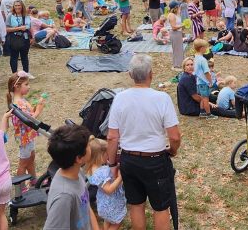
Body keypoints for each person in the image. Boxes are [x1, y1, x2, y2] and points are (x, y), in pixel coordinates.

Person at [106, 54, 181, 230]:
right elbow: (175, 136)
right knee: (161, 207)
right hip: (155, 160)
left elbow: (112, 137)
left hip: (129, 160)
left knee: (136, 204)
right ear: (151, 74)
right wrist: (173, 150)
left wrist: (112, 163)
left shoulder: (120, 98)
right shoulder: (162, 98)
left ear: (130, 75)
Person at [44, 124, 99, 230]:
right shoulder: (64, 196)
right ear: (78, 158)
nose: (90, 146)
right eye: (88, 145)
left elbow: (85, 204)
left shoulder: (77, 172)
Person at [8, 72, 45, 178]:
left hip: (28, 135)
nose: (29, 87)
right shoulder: (18, 103)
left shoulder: (21, 100)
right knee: (23, 163)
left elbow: (28, 114)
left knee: (31, 157)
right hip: (24, 137)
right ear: (17, 86)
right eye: (26, 84)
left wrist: (35, 106)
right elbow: (28, 120)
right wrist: (38, 110)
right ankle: (20, 187)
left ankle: (34, 180)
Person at [86, 138, 127, 230]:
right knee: (117, 222)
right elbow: (109, 190)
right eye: (107, 154)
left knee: (107, 220)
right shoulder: (103, 171)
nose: (108, 156)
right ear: (100, 155)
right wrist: (120, 177)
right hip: (112, 203)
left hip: (102, 202)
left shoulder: (91, 169)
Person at [191, 45, 217, 120]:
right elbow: (206, 72)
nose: (206, 49)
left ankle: (202, 112)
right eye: (205, 47)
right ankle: (208, 114)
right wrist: (210, 81)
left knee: (202, 98)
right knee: (206, 98)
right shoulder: (202, 60)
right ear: (201, 48)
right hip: (203, 82)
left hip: (198, 82)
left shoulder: (196, 58)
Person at [5, 0, 32, 73]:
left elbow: (30, 27)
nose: (17, 7)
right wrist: (18, 28)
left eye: (19, 5)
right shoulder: (10, 16)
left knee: (24, 56)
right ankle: (15, 74)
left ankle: (26, 73)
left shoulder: (26, 16)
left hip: (25, 38)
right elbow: (6, 29)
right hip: (14, 38)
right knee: (14, 56)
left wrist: (32, 37)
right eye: (16, 5)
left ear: (22, 6)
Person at [167, 1, 185, 70]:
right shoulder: (171, 15)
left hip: (178, 33)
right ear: (175, 7)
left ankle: (179, 63)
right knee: (177, 49)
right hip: (175, 34)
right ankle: (176, 65)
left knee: (179, 49)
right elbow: (173, 27)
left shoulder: (176, 14)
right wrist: (182, 25)